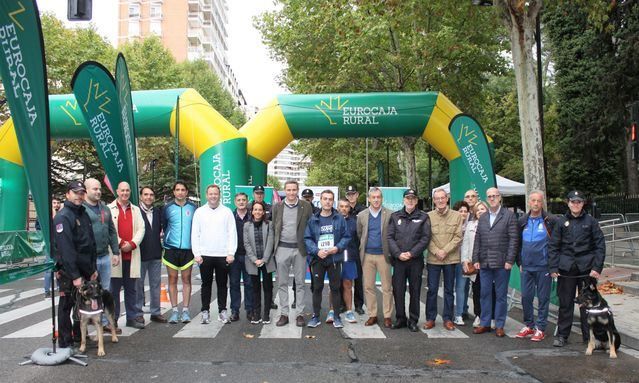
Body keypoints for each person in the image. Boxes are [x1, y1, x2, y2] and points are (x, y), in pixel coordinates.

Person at [549, 190, 605, 348]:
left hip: (586, 269)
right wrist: (553, 267)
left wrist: (597, 268)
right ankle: (562, 335)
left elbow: (600, 246)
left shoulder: (591, 221)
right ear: (568, 203)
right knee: (565, 303)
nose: (576, 204)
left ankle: (589, 337)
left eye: (579, 202)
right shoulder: (561, 222)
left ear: (583, 203)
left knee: (587, 305)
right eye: (573, 201)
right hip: (566, 269)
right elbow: (553, 246)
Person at [53, 181, 98, 349]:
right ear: (67, 194)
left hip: (86, 268)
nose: (79, 195)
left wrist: (92, 269)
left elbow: (91, 243)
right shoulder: (63, 216)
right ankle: (65, 342)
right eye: (75, 192)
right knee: (66, 307)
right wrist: (75, 276)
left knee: (82, 306)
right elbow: (66, 249)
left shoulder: (83, 213)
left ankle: (80, 336)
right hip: (70, 271)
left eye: (81, 192)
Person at [472, 187, 519, 337]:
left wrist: (510, 260)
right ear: (487, 199)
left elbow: (514, 239)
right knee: (484, 294)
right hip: (485, 261)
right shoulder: (484, 217)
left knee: (500, 295)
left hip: (502, 262)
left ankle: (499, 325)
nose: (492, 198)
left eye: (495, 196)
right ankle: (485, 323)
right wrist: (475, 259)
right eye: (489, 196)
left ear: (500, 198)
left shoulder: (509, 216)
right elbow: (477, 239)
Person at [304, 190, 351, 328]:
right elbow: (307, 238)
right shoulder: (313, 219)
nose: (328, 201)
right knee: (317, 288)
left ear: (333, 201)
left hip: (334, 259)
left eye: (330, 199)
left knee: (335, 288)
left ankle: (336, 316)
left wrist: (337, 248)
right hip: (318, 259)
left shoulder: (339, 218)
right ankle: (316, 316)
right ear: (321, 200)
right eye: (325, 199)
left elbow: (346, 237)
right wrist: (317, 251)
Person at [192, 184, 237, 324]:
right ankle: (205, 311)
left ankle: (222, 311)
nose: (213, 196)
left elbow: (232, 233)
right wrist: (197, 253)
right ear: (206, 195)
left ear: (219, 195)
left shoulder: (227, 212)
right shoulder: (199, 212)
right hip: (204, 255)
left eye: (216, 193)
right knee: (206, 285)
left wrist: (231, 252)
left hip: (223, 255)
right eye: (211, 194)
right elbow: (195, 234)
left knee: (222, 284)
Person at [514, 190, 556, 342]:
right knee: (526, 297)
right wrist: (519, 262)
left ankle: (541, 328)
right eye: (533, 201)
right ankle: (529, 325)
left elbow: (556, 244)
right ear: (529, 203)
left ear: (542, 202)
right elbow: (517, 244)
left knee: (543, 299)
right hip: (526, 267)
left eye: (538, 201)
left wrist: (553, 266)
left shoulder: (550, 220)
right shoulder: (522, 221)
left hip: (544, 266)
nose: (536, 203)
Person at [388, 189, 430, 332]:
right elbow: (390, 237)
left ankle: (413, 320)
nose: (410, 200)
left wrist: (412, 253)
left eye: (413, 198)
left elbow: (425, 238)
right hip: (399, 260)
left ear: (417, 200)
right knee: (398, 290)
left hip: (415, 261)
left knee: (415, 290)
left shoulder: (423, 217)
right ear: (403, 200)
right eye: (408, 198)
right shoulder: (395, 216)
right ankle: (400, 318)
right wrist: (398, 254)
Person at [272, 180, 313, 327]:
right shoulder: (277, 207)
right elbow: (274, 227)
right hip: (282, 249)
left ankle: (300, 314)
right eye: (288, 190)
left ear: (297, 190)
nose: (291, 192)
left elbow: (311, 226)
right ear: (285, 190)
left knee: (300, 283)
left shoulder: (306, 206)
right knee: (282, 283)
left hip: (300, 249)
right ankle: (284, 314)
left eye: (294, 190)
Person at [83, 178, 121, 331]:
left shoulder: (105, 208)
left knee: (104, 290)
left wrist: (116, 252)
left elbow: (112, 231)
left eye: (99, 189)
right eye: (94, 189)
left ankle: (105, 323)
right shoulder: (82, 210)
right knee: (87, 292)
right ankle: (85, 326)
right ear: (86, 191)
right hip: (88, 259)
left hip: (105, 257)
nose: (98, 191)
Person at [108, 181, 145, 329]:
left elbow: (141, 229)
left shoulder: (136, 210)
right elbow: (108, 230)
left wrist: (132, 244)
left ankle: (132, 317)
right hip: (116, 255)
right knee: (113, 291)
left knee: (132, 290)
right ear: (117, 191)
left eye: (127, 191)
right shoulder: (109, 209)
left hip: (132, 254)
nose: (125, 193)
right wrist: (121, 243)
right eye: (122, 190)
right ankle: (114, 320)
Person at [425, 189, 463, 331]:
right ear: (434, 200)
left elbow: (458, 237)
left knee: (448, 290)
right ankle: (430, 318)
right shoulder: (428, 216)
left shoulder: (457, 216)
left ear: (447, 198)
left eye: (442, 198)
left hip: (450, 259)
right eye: (437, 198)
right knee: (432, 290)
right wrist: (436, 251)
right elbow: (426, 237)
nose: (440, 201)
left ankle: (448, 319)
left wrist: (445, 251)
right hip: (433, 259)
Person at [357, 187, 393, 328]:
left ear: (382, 198)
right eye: (373, 197)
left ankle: (388, 315)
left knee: (386, 287)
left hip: (384, 255)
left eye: (379, 197)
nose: (376, 199)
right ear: (369, 199)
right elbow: (360, 234)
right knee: (368, 287)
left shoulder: (390, 214)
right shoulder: (362, 215)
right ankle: (372, 314)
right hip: (367, 256)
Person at [162, 181, 197, 324]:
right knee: (172, 279)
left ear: (187, 192)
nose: (180, 192)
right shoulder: (167, 208)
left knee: (187, 279)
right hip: (171, 249)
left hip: (188, 250)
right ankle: (175, 311)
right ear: (174, 192)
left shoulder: (193, 208)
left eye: (183, 189)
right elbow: (164, 226)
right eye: (177, 190)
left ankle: (186, 310)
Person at [325, 198, 359, 324]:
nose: (344, 208)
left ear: (349, 208)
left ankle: (349, 312)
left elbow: (358, 239)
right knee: (333, 286)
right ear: (337, 207)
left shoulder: (354, 221)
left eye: (346, 206)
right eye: (341, 206)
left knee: (348, 285)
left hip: (349, 257)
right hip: (334, 258)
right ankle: (332, 310)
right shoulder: (331, 220)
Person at [136, 186, 167, 323]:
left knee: (155, 284)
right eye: (146, 194)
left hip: (155, 254)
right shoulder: (136, 211)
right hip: (140, 255)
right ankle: (138, 313)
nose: (148, 197)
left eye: (151, 195)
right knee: (138, 285)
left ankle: (156, 312)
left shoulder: (158, 212)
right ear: (141, 196)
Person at [244, 201, 276, 324]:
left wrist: (264, 259)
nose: (257, 212)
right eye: (255, 209)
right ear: (252, 211)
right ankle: (257, 314)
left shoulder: (269, 224)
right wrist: (254, 259)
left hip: (266, 261)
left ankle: (266, 314)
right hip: (253, 262)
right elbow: (246, 244)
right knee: (255, 288)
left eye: (260, 210)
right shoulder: (247, 225)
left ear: (263, 212)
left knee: (268, 288)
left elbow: (270, 242)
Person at [461, 201, 489, 328]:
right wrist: (465, 260)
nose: (480, 211)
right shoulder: (471, 225)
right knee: (477, 291)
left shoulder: (493, 223)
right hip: (475, 263)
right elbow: (466, 243)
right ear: (475, 212)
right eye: (478, 210)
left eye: (483, 209)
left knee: (489, 291)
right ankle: (478, 315)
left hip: (490, 263)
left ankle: (491, 316)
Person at [229, 192, 254, 322]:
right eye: (238, 200)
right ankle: (235, 310)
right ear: (235, 202)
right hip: (233, 256)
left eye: (243, 200)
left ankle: (250, 310)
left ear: (247, 201)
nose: (241, 202)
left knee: (249, 284)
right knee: (234, 284)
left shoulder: (252, 216)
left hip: (248, 256)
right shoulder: (230, 216)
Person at [452, 200, 470, 326]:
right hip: (452, 259)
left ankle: (460, 313)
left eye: (465, 211)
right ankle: (459, 312)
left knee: (462, 287)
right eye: (461, 211)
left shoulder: (471, 226)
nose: (463, 214)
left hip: (465, 261)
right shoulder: (453, 225)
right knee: (454, 287)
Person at [43, 197, 62, 298]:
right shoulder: (47, 216)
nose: (56, 205)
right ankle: (47, 290)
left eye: (58, 203)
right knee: (49, 268)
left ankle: (59, 287)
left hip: (60, 244)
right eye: (54, 203)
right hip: (50, 245)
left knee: (59, 266)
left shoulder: (61, 214)